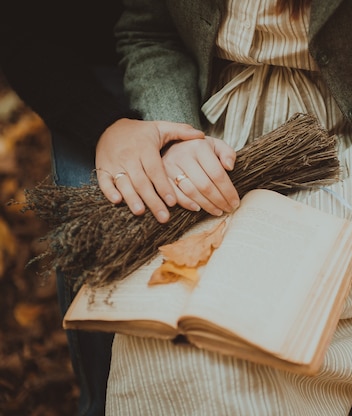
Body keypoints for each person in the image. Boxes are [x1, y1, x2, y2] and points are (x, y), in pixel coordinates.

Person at [103, 0, 352, 414]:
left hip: (348, 146)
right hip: (209, 139)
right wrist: (177, 134)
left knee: (260, 330)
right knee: (161, 333)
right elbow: (150, 34)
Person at [0, 2, 208, 415]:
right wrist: (103, 125)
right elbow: (18, 31)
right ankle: (103, 400)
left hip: (219, 60)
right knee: (104, 243)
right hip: (92, 72)